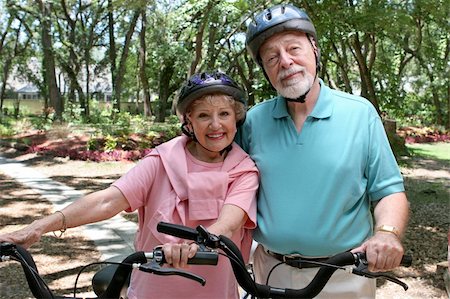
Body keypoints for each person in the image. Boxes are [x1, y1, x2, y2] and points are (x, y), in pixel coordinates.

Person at [0, 71, 259, 299]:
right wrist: (37, 228)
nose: (216, 125)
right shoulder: (163, 160)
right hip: (151, 291)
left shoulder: (244, 169)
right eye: (204, 115)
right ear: (188, 121)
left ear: (235, 118)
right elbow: (107, 200)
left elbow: (228, 223)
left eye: (224, 114)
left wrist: (196, 246)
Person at [236, 4, 409, 298]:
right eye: (272, 57)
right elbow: (222, 184)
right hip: (269, 273)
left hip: (344, 276)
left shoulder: (359, 114)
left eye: (294, 48)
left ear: (314, 49)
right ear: (265, 69)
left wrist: (387, 233)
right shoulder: (253, 121)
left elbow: (389, 190)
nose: (286, 62)